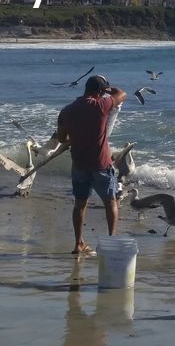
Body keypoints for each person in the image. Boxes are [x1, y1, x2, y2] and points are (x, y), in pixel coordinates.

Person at [55, 74, 127, 255]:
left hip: (79, 164)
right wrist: (107, 91)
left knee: (80, 204)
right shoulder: (101, 106)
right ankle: (111, 241)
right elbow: (122, 94)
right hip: (101, 165)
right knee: (110, 202)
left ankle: (78, 244)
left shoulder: (67, 111)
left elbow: (62, 138)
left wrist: (78, 136)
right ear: (100, 92)